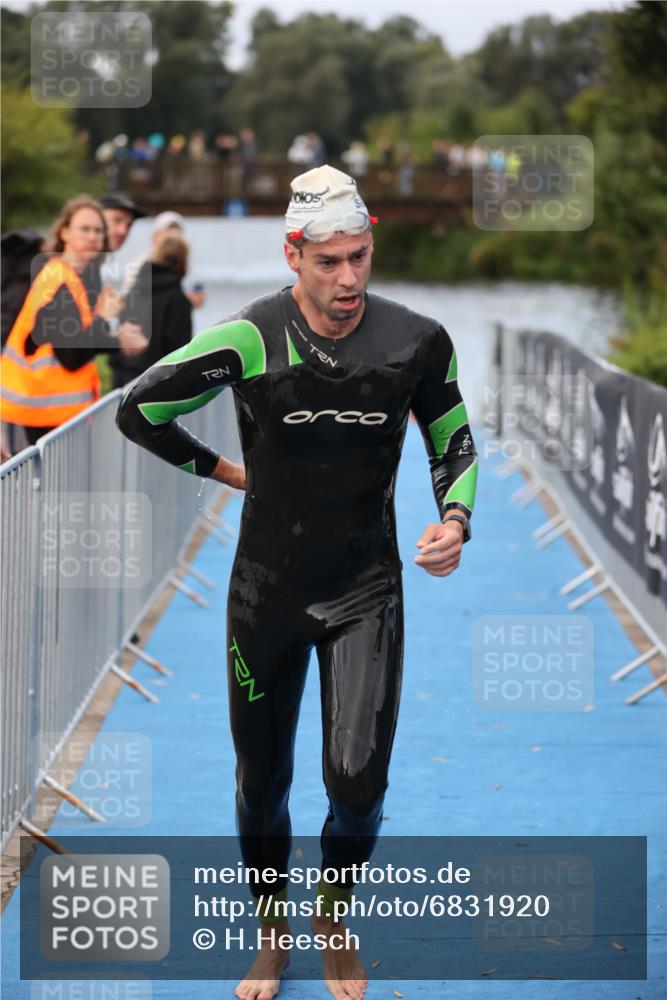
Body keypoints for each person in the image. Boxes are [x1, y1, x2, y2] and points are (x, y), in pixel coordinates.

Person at [116, 164, 477, 1000]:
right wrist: (224, 471)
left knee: (358, 785)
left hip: (365, 592)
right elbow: (141, 410)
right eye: (328, 262)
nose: (348, 278)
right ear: (293, 254)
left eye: (360, 257)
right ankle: (273, 928)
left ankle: (333, 910)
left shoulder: (415, 340)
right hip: (265, 595)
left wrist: (454, 521)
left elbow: (452, 438)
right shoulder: (248, 339)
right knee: (261, 782)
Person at [1, 195, 145, 446]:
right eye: (85, 229)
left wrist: (114, 335)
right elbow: (72, 355)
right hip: (45, 413)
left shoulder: (69, 277)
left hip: (50, 412)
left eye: (98, 231)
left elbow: (73, 340)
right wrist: (104, 319)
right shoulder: (59, 281)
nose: (93, 237)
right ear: (65, 232)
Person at [109, 233, 193, 389]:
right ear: (183, 260)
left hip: (121, 382)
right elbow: (180, 353)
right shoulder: (178, 299)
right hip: (156, 385)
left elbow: (118, 336)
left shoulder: (133, 291)